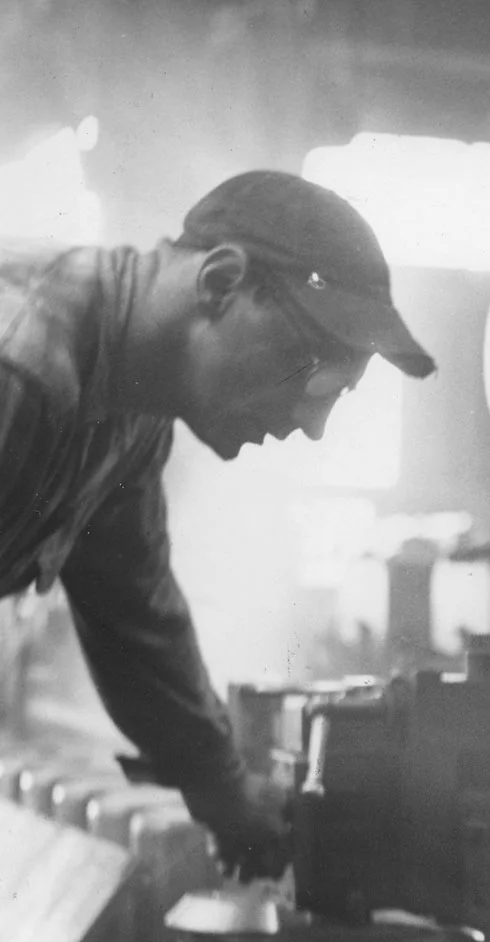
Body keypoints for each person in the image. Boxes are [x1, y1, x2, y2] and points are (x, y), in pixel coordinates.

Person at [0, 169, 435, 876]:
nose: (314, 425)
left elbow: (131, 608)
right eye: (311, 374)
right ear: (222, 282)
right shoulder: (22, 370)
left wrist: (221, 787)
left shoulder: (128, 411)